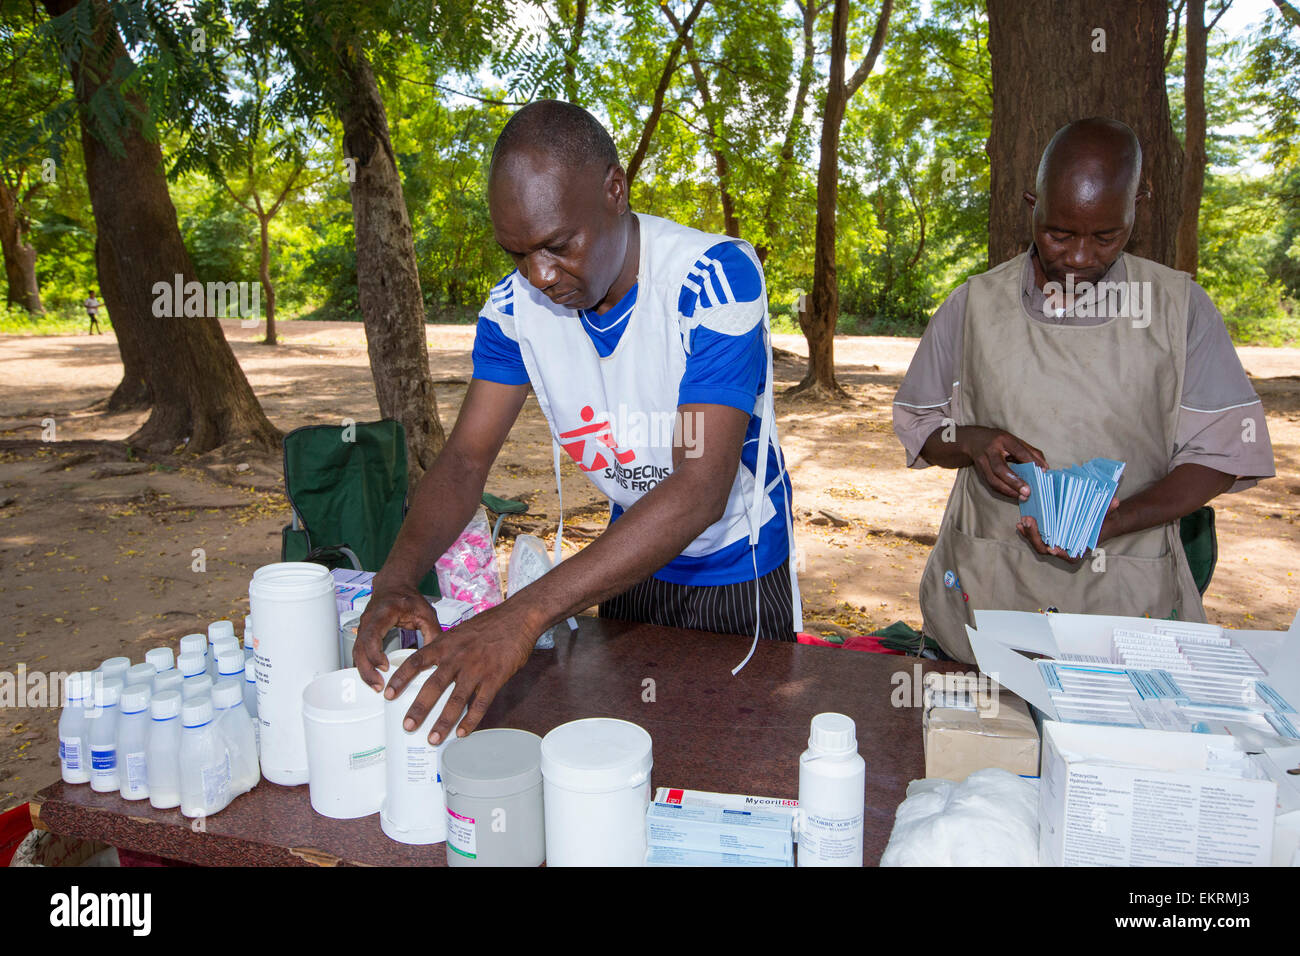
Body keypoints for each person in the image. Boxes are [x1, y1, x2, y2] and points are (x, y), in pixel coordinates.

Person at [354, 100, 800, 743]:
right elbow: (464, 461)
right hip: (627, 565)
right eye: (518, 254)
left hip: (736, 567)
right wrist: (394, 578)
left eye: (559, 246)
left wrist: (521, 615)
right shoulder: (514, 311)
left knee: (730, 759)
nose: (540, 276)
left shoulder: (711, 280)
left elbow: (700, 490)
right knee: (630, 746)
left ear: (615, 190)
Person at [892, 117, 1275, 663]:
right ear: (1032, 205)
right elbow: (922, 425)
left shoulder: (1177, 310)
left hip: (1122, 598)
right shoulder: (975, 305)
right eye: (1058, 234)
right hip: (989, 592)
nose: (1077, 258)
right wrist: (972, 441)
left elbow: (1221, 455)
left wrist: (1115, 520)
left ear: (1138, 206)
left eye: (1105, 237)